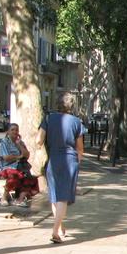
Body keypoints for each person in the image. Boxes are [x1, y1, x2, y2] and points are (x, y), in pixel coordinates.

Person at [38, 92, 85, 243]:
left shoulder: (48, 119)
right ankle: (55, 231)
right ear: (72, 105)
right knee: (63, 197)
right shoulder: (76, 122)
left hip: (53, 159)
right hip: (69, 160)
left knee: (54, 195)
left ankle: (60, 227)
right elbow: (79, 147)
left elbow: (39, 139)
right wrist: (78, 160)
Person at [0, 123, 40, 207]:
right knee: (15, 175)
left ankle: (20, 199)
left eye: (16, 130)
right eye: (12, 130)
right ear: (8, 131)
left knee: (31, 176)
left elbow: (26, 155)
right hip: (7, 166)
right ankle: (4, 197)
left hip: (20, 166)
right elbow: (6, 157)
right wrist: (19, 156)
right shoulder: (4, 143)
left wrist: (19, 144)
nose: (14, 132)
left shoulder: (20, 142)